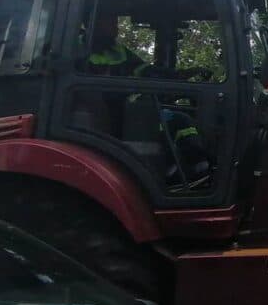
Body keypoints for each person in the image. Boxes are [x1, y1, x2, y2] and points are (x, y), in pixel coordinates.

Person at [84, 15, 211, 189]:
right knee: (154, 123)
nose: (116, 27)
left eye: (115, 22)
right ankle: (168, 173)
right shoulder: (76, 48)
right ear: (93, 22)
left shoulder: (117, 51)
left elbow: (146, 71)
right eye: (110, 21)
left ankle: (198, 172)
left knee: (181, 120)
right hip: (102, 116)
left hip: (124, 111)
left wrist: (182, 75)